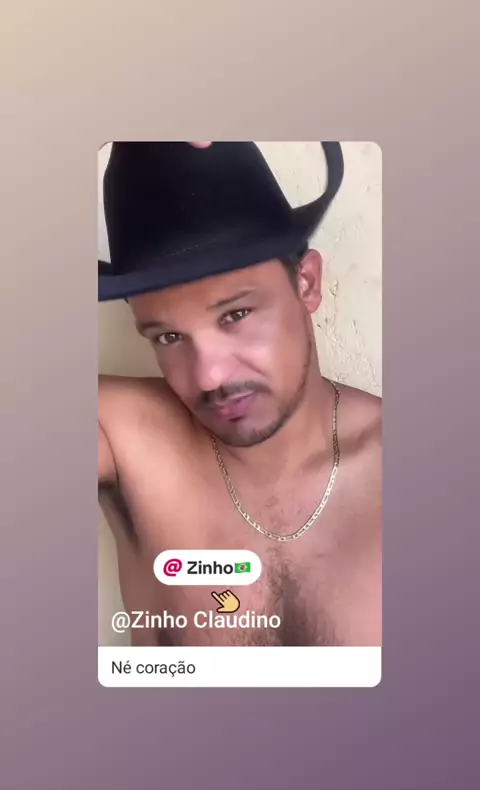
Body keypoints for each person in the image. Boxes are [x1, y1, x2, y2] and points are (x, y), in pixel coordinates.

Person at [98, 141, 381, 647]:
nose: (209, 377)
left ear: (306, 283)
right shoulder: (124, 439)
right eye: (168, 337)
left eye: (235, 315)